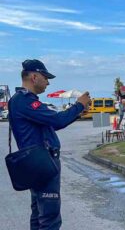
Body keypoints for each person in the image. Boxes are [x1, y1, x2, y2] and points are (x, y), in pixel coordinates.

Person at [8, 59, 91, 230]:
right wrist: (79, 105)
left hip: (37, 162)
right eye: (45, 77)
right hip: (42, 162)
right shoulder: (25, 101)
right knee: (49, 217)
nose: (48, 82)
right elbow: (57, 120)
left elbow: (50, 126)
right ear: (34, 76)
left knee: (39, 214)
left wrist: (76, 112)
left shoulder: (23, 101)